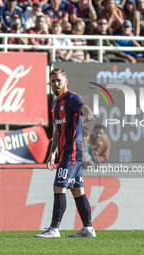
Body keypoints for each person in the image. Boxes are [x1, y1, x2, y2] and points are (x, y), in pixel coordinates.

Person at [34, 68, 96, 238]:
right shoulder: (55, 104)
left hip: (72, 153)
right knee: (77, 190)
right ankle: (88, 228)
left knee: (59, 187)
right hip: (64, 153)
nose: (56, 84)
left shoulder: (71, 98)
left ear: (65, 82)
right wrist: (52, 152)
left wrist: (88, 113)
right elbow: (57, 131)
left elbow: (83, 108)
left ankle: (54, 229)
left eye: (59, 81)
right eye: (53, 81)